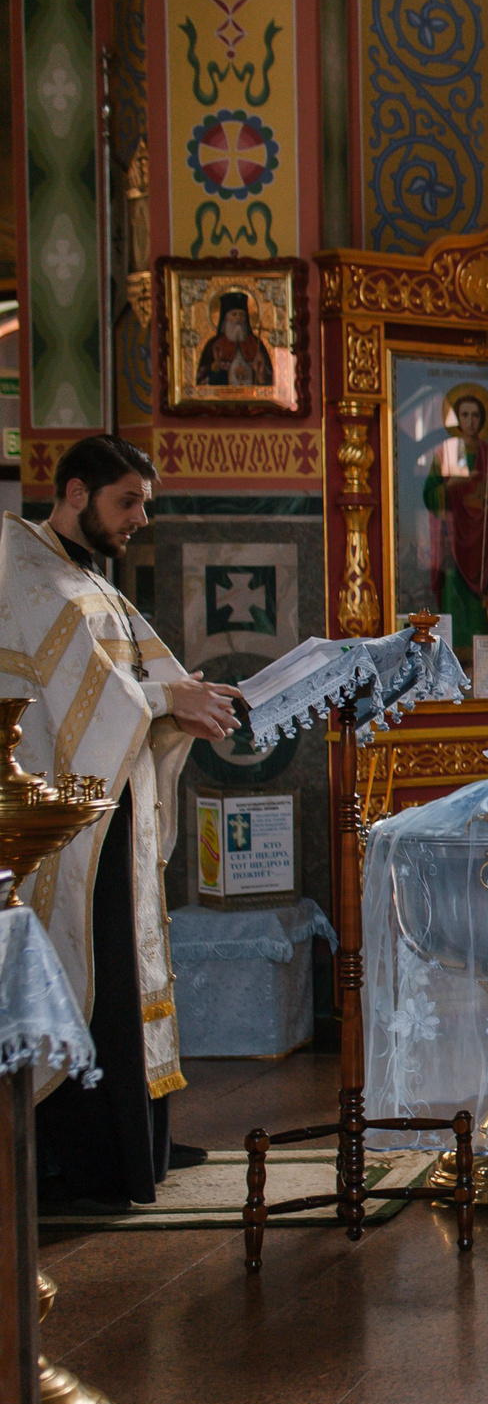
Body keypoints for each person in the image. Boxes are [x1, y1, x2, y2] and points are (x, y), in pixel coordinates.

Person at [4, 436, 243, 1209]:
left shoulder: (83, 577)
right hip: (65, 824)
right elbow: (85, 697)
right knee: (96, 972)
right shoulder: (28, 573)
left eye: (144, 502)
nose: (141, 517)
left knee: (125, 971)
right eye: (127, 501)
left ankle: (140, 1144)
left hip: (113, 806)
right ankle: (90, 1161)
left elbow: (127, 680)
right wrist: (169, 699)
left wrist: (178, 703)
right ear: (76, 492)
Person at [420, 383, 488, 653]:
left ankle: (481, 653)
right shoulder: (448, 453)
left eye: (475, 415)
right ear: (457, 419)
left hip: (485, 546)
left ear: (483, 419)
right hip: (454, 541)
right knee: (454, 590)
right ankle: (454, 652)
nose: (470, 421)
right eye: (464, 415)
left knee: (481, 605)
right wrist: (450, 486)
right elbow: (430, 495)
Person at [194, 290, 275, 387]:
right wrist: (216, 365)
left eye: (242, 315)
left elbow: (271, 384)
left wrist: (260, 374)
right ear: (225, 318)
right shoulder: (214, 345)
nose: (238, 318)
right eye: (234, 314)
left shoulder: (256, 344)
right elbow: (202, 384)